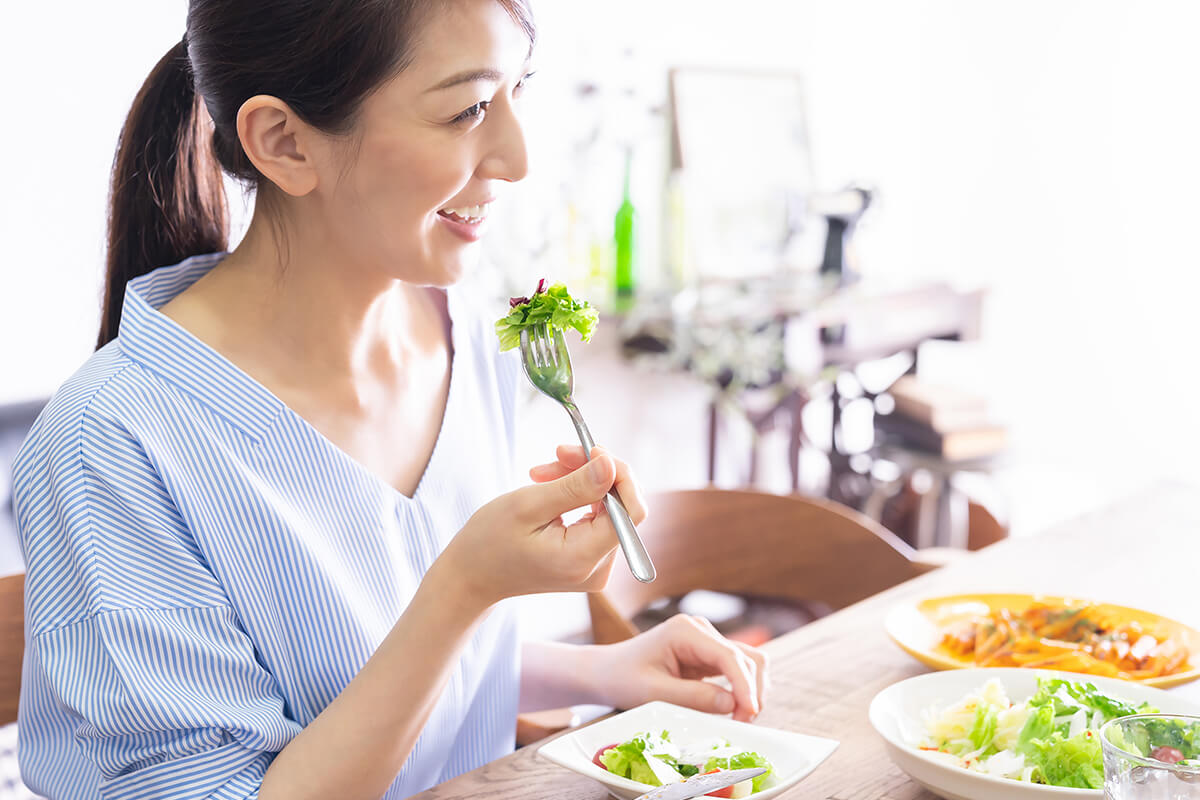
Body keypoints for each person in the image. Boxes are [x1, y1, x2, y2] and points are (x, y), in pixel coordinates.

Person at [12, 2, 769, 798]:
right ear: (284, 141)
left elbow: (355, 667)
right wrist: (466, 586)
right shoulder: (110, 446)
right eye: (468, 108)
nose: (515, 157)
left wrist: (602, 671)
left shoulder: (462, 335)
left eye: (518, 91)